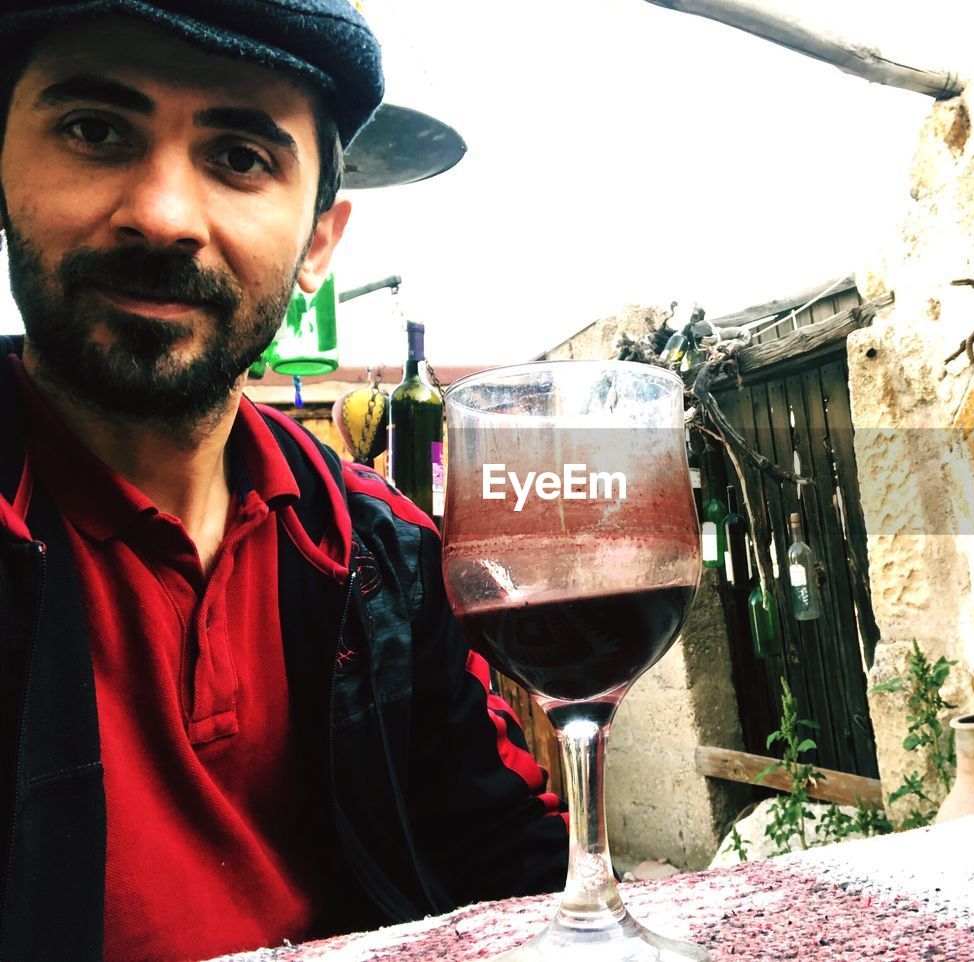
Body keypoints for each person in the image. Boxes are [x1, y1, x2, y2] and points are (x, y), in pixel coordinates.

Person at [0, 2, 569, 959]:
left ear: (317, 244)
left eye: (240, 158)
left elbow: (517, 867)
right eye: (95, 131)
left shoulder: (380, 554)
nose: (164, 215)